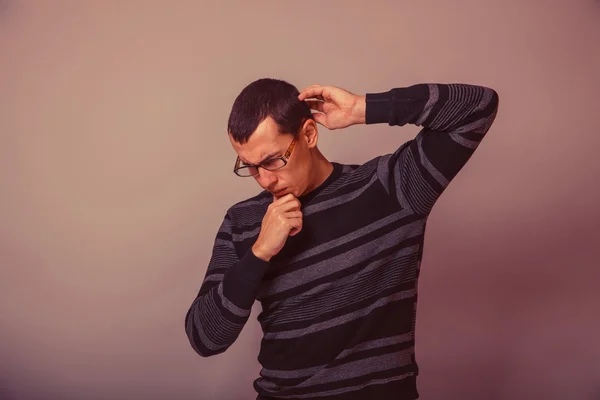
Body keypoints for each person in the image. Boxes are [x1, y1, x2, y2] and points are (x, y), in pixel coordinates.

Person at [185, 78, 499, 400]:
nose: (264, 180)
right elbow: (205, 338)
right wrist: (259, 254)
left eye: (272, 161)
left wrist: (364, 108)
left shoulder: (392, 188)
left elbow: (477, 107)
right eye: (250, 167)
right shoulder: (244, 222)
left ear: (308, 134)